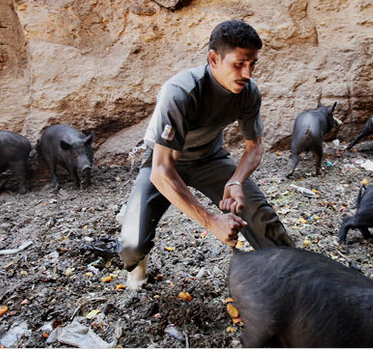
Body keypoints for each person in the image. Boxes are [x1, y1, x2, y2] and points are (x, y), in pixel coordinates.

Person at [119, 20, 295, 289]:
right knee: (132, 242)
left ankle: (296, 278)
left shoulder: (249, 92)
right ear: (213, 59)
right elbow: (161, 171)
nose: (247, 73)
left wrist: (236, 181)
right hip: (165, 163)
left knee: (262, 218)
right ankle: (137, 262)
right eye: (238, 64)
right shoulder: (180, 92)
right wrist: (212, 221)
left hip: (210, 159)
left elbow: (254, 147)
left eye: (253, 64)